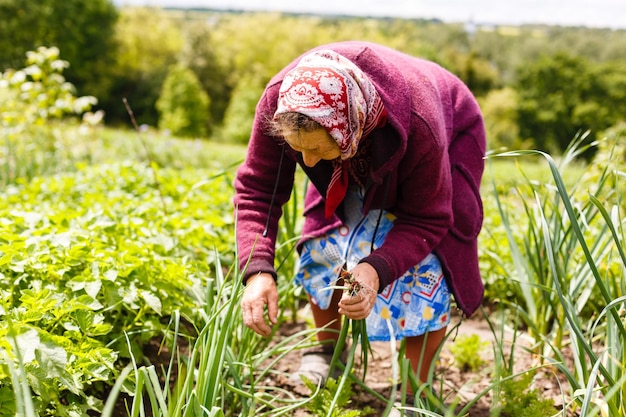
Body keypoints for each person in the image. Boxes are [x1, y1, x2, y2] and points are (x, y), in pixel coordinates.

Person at [233, 41, 486, 394]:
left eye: (317, 149)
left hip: (445, 128)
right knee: (326, 241)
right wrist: (257, 269)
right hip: (354, 138)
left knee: (427, 265)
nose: (307, 163)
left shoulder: (420, 123)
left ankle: (415, 390)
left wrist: (374, 269)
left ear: (346, 129)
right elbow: (258, 189)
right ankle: (328, 352)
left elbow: (427, 219)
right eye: (297, 149)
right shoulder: (284, 102)